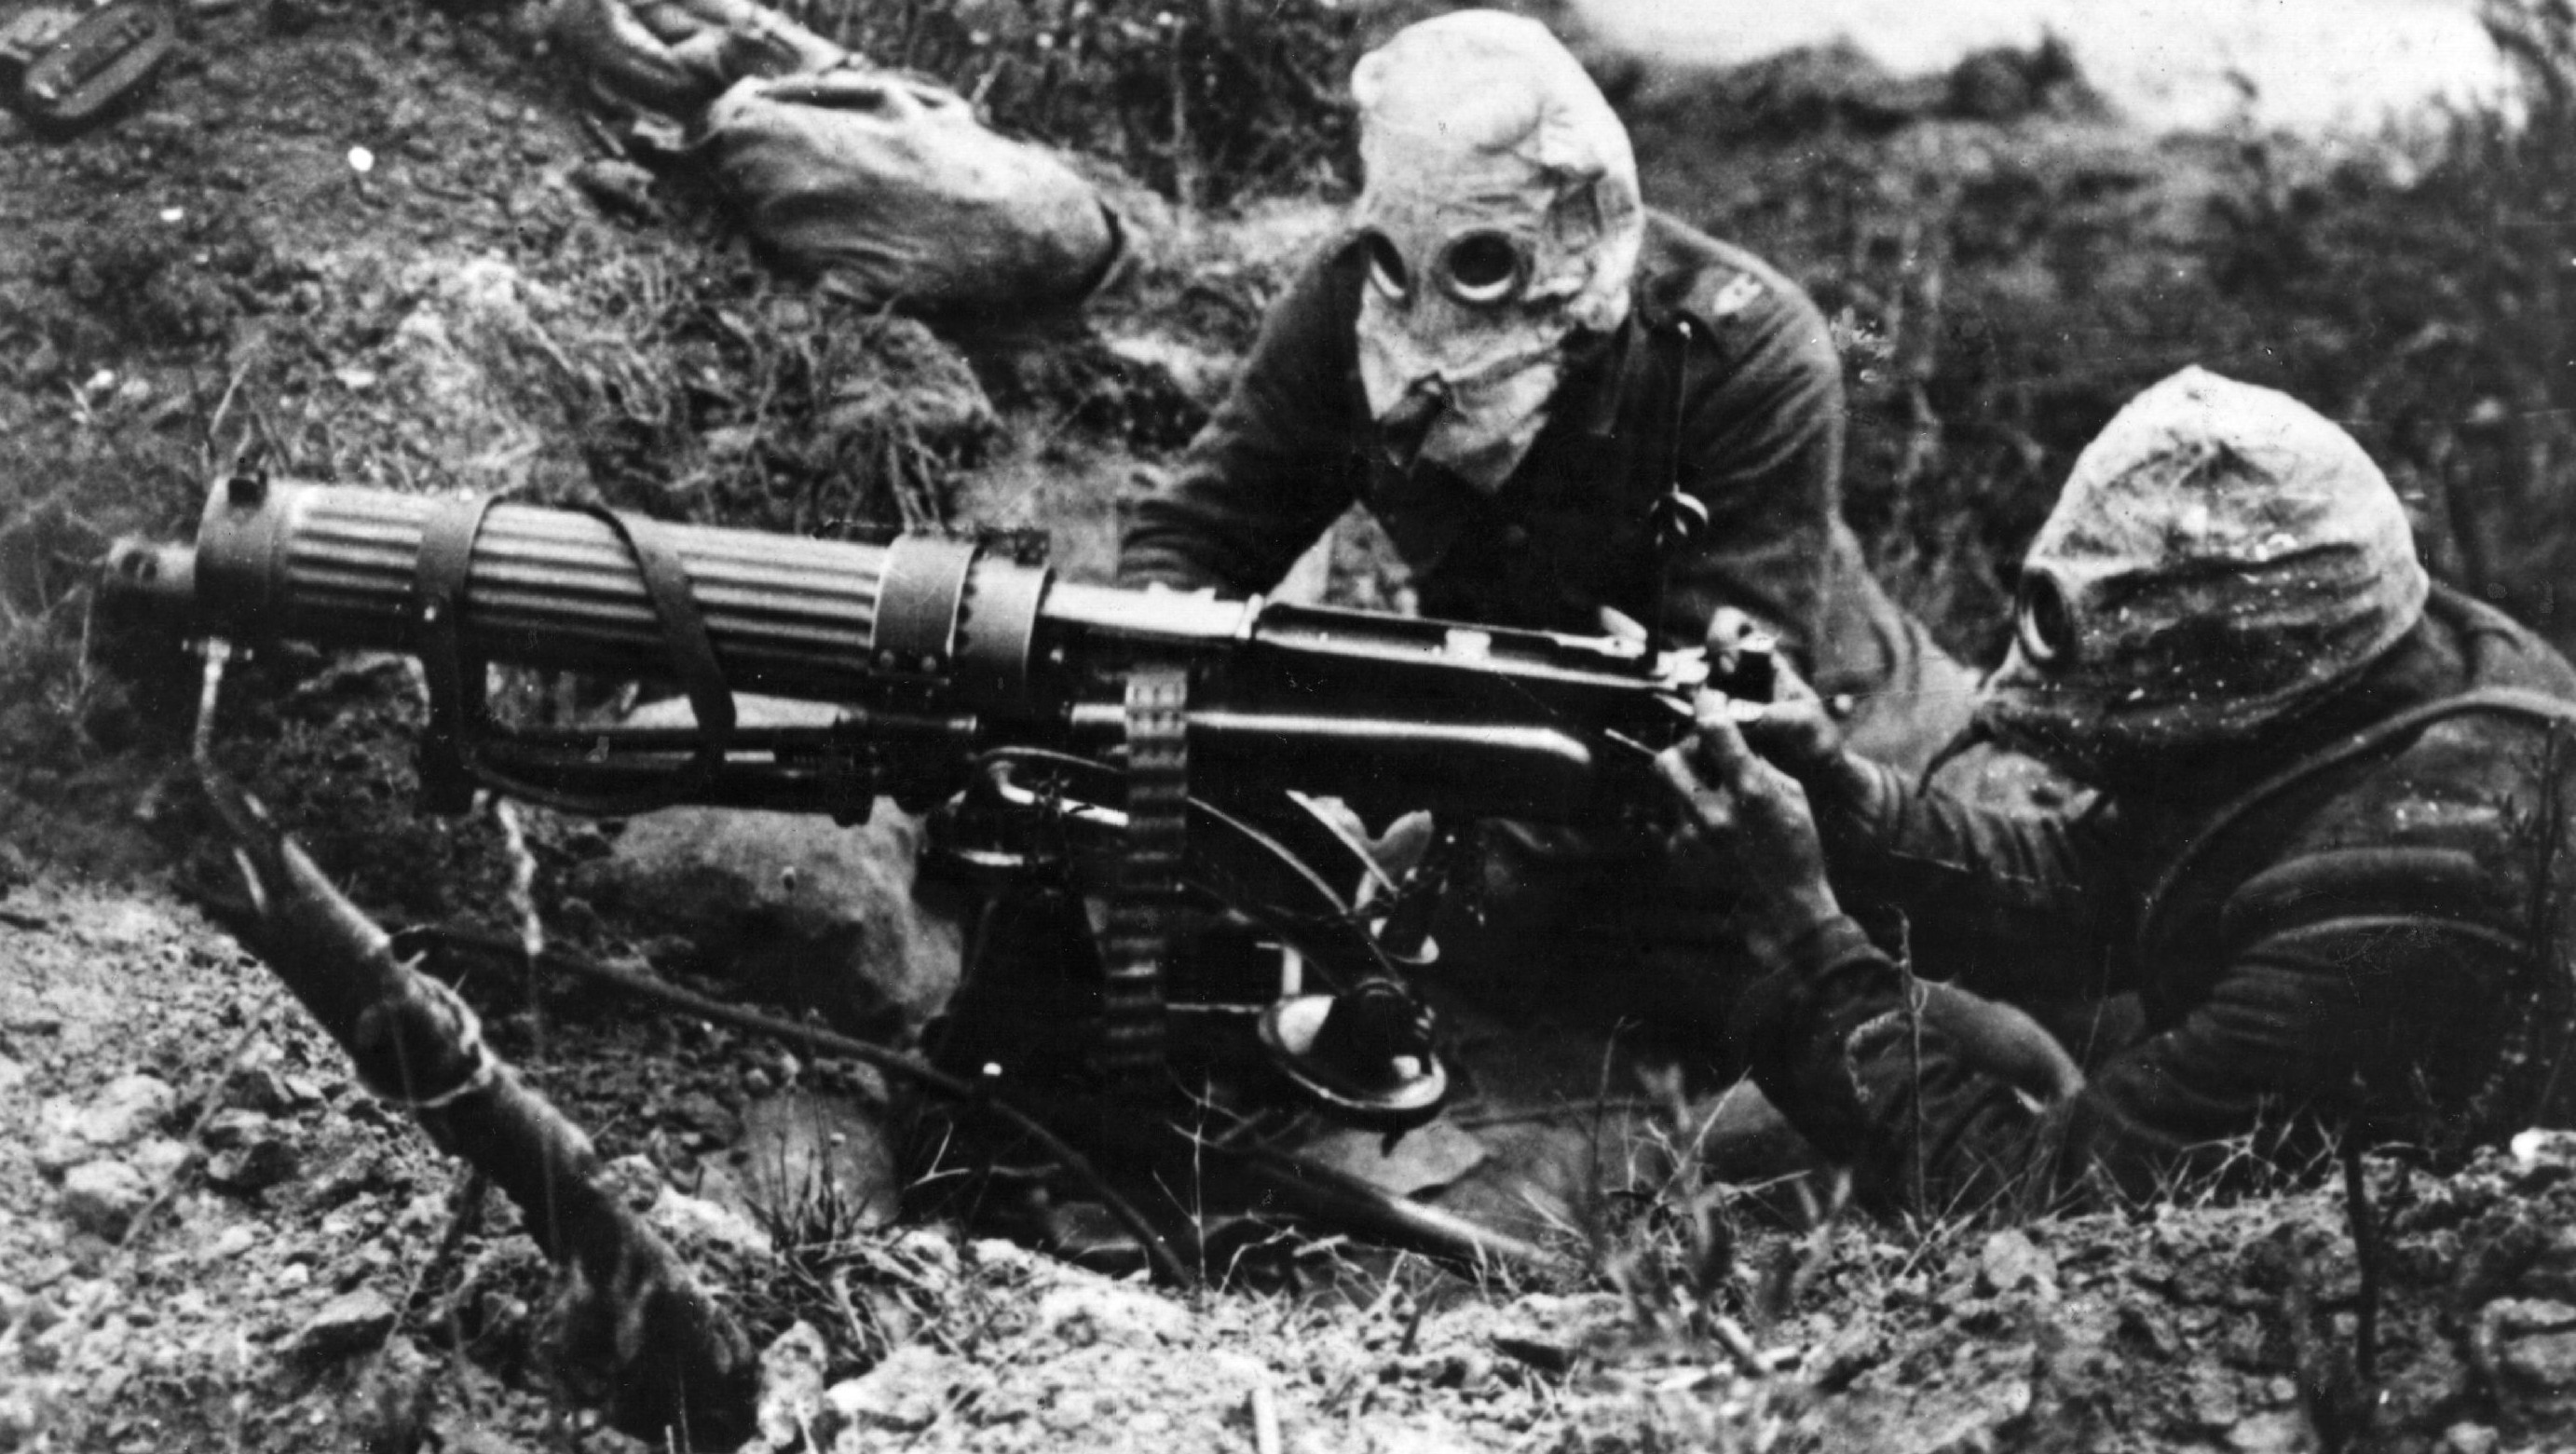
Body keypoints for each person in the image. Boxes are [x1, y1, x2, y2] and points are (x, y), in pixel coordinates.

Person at [1661, 366, 2576, 1216]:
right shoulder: (2379, 664)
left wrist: (1800, 938)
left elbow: (2032, 1201)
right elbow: (2105, 879)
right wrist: (1851, 809)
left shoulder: (2401, 910)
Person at [1115, 7, 1974, 774]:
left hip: (1841, 754)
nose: (1430, 307)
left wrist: (1429, 836)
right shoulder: (1351, 301)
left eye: (1484, 260)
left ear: (1578, 228)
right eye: (1397, 252)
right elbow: (1199, 537)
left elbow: (1722, 727)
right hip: (1529, 734)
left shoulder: (1745, 355)